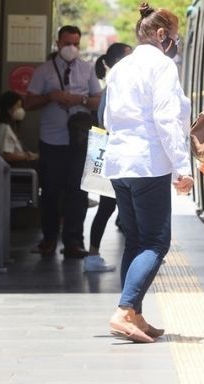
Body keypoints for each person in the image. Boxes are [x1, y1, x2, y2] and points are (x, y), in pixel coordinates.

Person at [102, 3, 192, 343]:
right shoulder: (162, 66)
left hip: (119, 163)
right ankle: (125, 310)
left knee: (135, 240)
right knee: (156, 241)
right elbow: (166, 119)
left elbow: (109, 119)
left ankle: (135, 315)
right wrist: (182, 168)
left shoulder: (120, 68)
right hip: (148, 163)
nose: (175, 41)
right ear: (160, 35)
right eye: (173, 34)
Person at [23, 25, 101, 258]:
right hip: (52, 140)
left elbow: (98, 100)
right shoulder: (44, 71)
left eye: (76, 44)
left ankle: (74, 241)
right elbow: (28, 103)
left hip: (78, 141)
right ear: (58, 43)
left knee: (78, 192)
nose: (72, 48)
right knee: (50, 192)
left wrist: (81, 99)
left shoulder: (87, 70)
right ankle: (48, 239)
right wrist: (51, 96)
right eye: (67, 43)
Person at [82, 43, 132, 274]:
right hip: (117, 153)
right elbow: (107, 120)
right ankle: (94, 255)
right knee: (113, 205)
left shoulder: (112, 84)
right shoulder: (117, 85)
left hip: (109, 152)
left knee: (108, 205)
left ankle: (93, 254)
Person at [0, 90, 37, 164]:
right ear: (8, 109)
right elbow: (7, 156)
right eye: (18, 107)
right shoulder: (5, 128)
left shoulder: (10, 128)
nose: (21, 110)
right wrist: (26, 157)